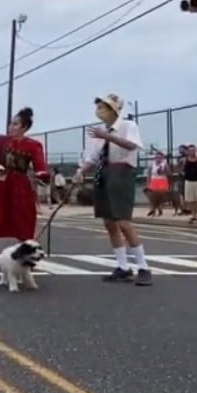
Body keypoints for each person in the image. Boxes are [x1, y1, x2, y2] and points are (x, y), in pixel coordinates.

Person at [73, 93, 151, 285]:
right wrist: (81, 171)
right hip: (103, 172)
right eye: (98, 107)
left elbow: (132, 145)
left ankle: (144, 267)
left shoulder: (128, 126)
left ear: (113, 110)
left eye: (103, 107)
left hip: (122, 172)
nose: (98, 111)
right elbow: (92, 157)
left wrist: (108, 136)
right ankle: (123, 266)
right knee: (109, 222)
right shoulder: (99, 132)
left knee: (123, 221)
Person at [0, 107, 48, 270]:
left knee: (23, 221)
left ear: (24, 127)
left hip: (20, 186)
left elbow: (40, 166)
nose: (11, 126)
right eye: (11, 123)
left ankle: (26, 257)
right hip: (1, 184)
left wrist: (42, 174)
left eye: (15, 124)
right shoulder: (2, 141)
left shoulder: (33, 145)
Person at [145, 151, 171, 217]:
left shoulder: (165, 164)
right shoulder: (152, 165)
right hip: (154, 181)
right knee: (152, 196)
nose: (158, 158)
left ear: (162, 158)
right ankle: (153, 209)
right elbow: (149, 174)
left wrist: (165, 170)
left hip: (162, 180)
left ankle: (159, 207)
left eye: (160, 157)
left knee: (160, 196)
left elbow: (169, 173)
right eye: (157, 157)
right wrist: (148, 183)